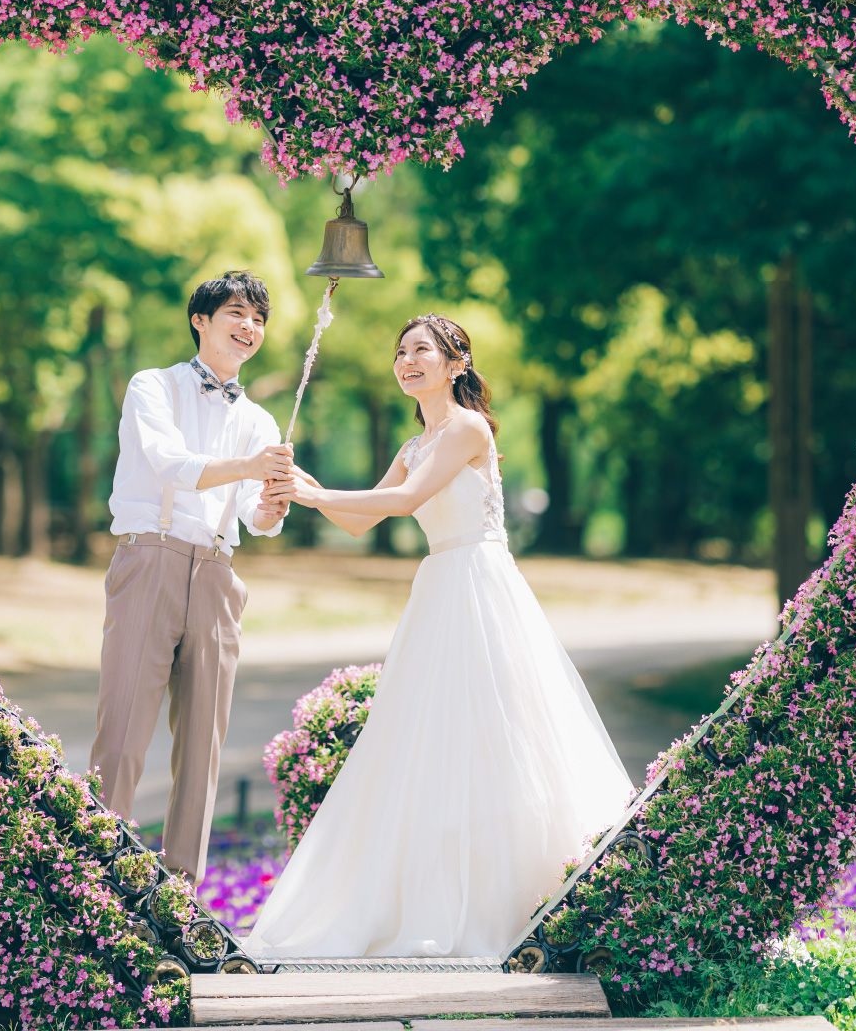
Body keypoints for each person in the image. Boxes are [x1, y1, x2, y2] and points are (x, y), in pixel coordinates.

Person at [244, 314, 633, 959]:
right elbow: (359, 521)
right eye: (400, 353)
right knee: (431, 740)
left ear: (455, 364)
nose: (407, 362)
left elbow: (405, 502)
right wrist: (300, 482)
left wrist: (312, 498)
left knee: (500, 733)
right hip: (437, 592)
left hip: (481, 587)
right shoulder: (412, 444)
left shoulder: (466, 428)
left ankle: (523, 897)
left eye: (421, 351)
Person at [91, 271, 294, 883]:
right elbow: (171, 464)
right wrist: (249, 466)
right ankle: (97, 881)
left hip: (217, 574)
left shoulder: (259, 419)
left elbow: (253, 520)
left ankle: (180, 894)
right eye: (236, 312)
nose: (249, 327)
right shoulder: (152, 386)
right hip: (150, 555)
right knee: (123, 732)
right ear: (199, 320)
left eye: (259, 319)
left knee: (203, 744)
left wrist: (271, 504)